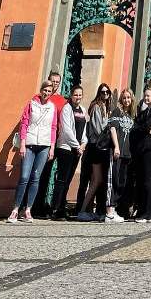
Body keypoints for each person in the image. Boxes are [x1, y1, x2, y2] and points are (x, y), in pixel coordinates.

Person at [7, 81, 57, 223]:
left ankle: (28, 210)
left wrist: (52, 147)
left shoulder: (52, 107)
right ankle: (15, 209)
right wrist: (22, 144)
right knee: (24, 177)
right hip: (29, 144)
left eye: (49, 91)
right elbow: (24, 123)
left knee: (35, 178)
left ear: (51, 93)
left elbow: (53, 127)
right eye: (45, 90)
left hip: (44, 145)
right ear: (41, 90)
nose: (46, 93)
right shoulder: (31, 104)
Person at [31, 69, 66, 217]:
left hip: (55, 140)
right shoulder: (39, 97)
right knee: (39, 173)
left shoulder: (62, 101)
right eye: (53, 81)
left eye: (57, 82)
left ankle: (45, 204)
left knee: (49, 173)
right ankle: (33, 206)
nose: (55, 84)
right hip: (40, 140)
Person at [76, 83, 113, 221]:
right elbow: (98, 129)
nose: (105, 94)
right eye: (103, 92)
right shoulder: (97, 106)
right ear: (99, 93)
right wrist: (111, 125)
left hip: (101, 148)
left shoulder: (105, 107)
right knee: (96, 180)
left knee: (96, 180)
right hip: (95, 148)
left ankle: (89, 210)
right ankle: (83, 210)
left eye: (107, 92)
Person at [51, 85, 87, 220]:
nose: (78, 97)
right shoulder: (67, 108)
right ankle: (56, 208)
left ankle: (62, 207)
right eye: (75, 95)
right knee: (62, 179)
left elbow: (84, 129)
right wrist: (77, 146)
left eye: (80, 95)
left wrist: (83, 144)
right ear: (71, 96)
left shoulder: (83, 110)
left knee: (68, 180)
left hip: (77, 149)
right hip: (65, 148)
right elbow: (66, 130)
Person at [130, 87, 151, 223]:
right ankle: (144, 211)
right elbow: (134, 128)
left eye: (149, 96)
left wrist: (144, 127)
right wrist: (145, 128)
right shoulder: (144, 112)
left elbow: (148, 124)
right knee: (142, 180)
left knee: (148, 180)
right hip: (141, 149)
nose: (146, 98)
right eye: (145, 95)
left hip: (150, 148)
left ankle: (150, 213)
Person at [107, 89, 135, 222]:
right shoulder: (117, 111)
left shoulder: (131, 115)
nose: (126, 100)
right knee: (113, 180)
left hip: (127, 154)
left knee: (121, 182)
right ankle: (109, 212)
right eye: (124, 98)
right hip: (117, 152)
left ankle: (114, 208)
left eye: (128, 98)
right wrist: (116, 146)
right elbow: (113, 128)